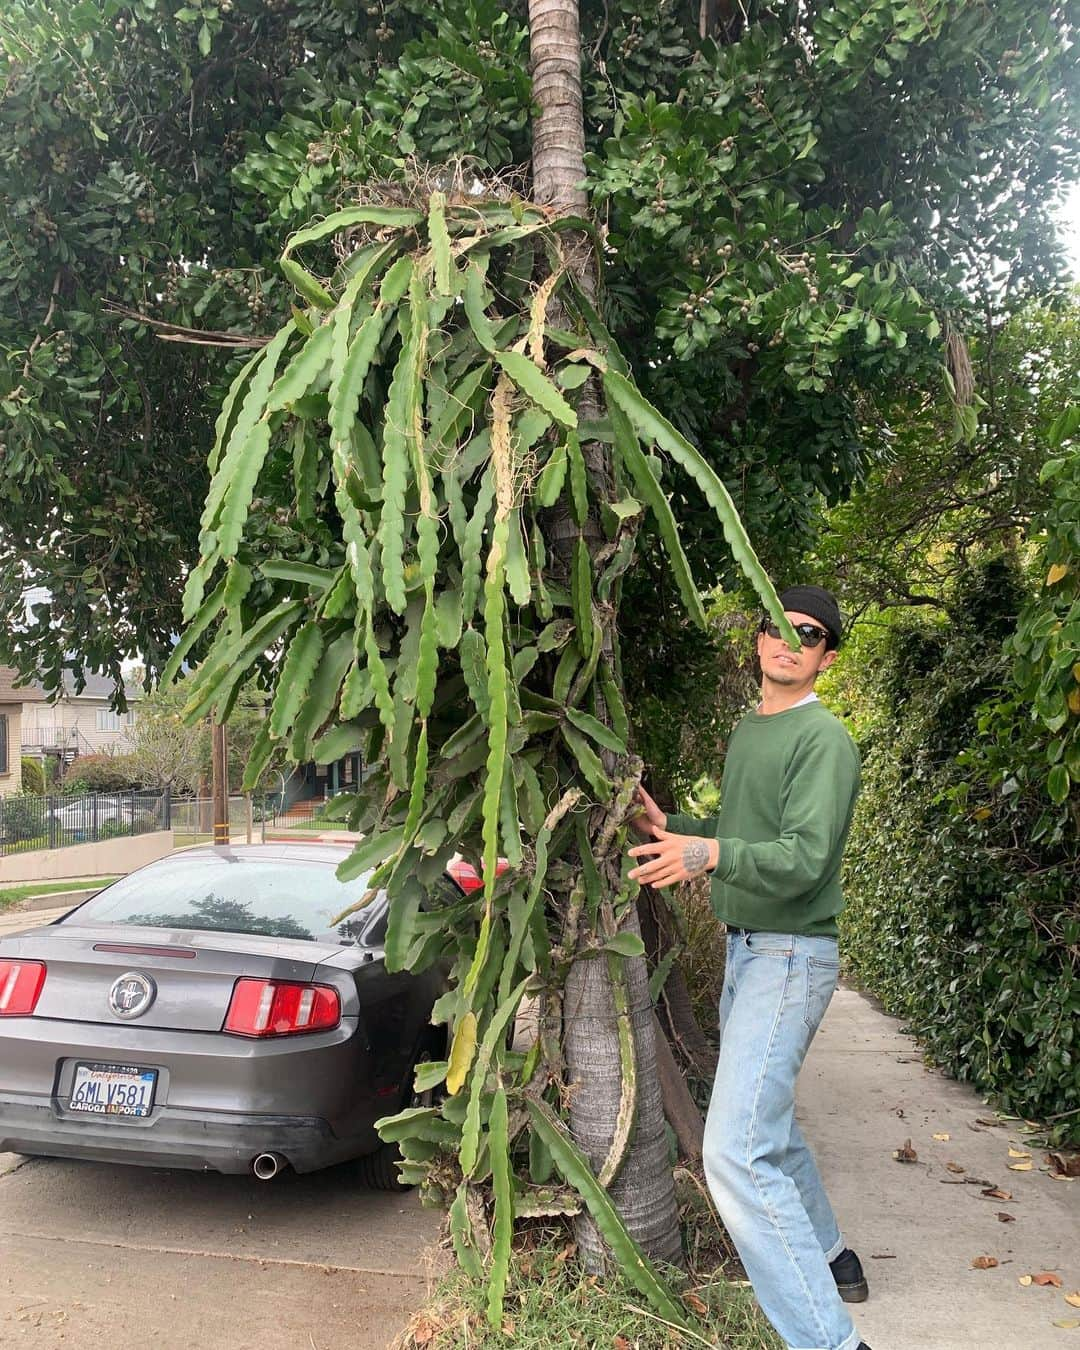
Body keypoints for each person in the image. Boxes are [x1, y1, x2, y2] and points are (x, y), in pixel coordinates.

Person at [627, 584, 872, 1350]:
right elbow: (739, 834)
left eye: (808, 633)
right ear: (759, 638)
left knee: (734, 1150)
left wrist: (707, 854)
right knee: (769, 1123)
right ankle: (835, 1258)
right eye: (775, 625)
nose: (786, 640)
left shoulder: (824, 740)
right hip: (747, 948)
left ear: (825, 656)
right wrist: (678, 829)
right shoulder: (747, 731)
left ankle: (832, 1342)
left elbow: (801, 862)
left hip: (790, 953)